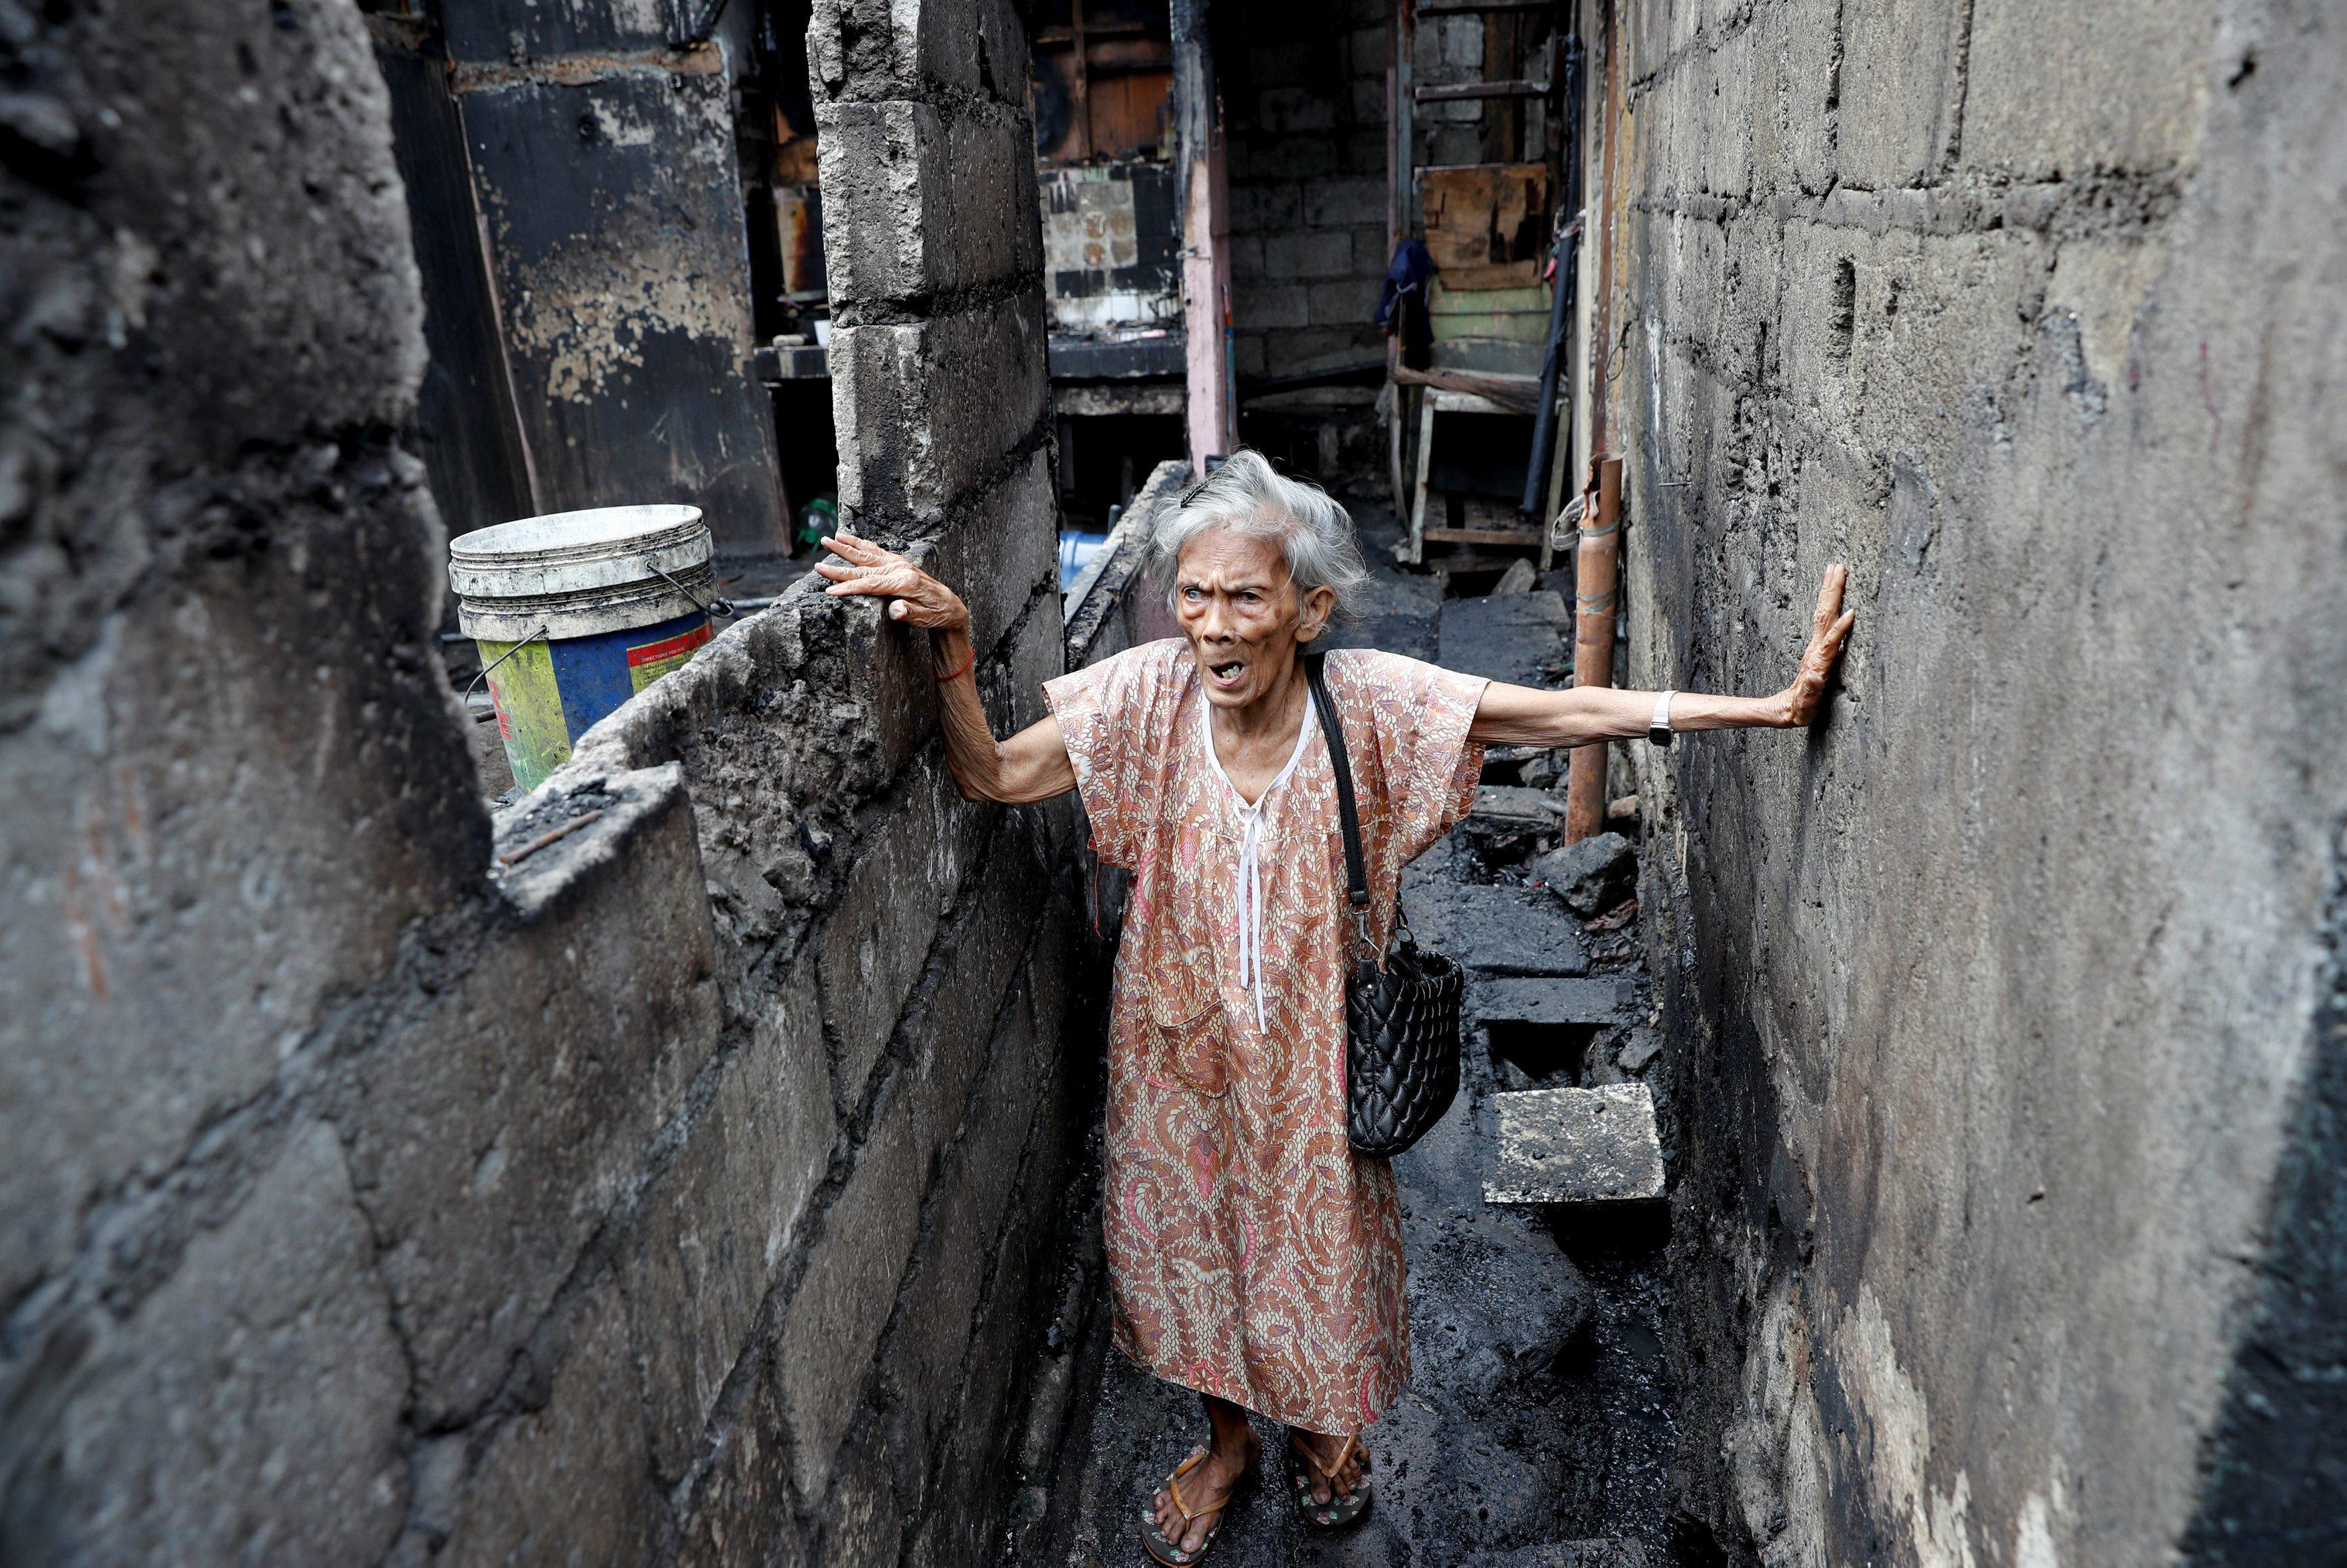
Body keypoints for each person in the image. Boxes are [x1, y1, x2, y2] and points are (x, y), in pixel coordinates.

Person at [816, 450, 1852, 1565]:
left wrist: (1771, 708)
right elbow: (995, 778)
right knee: (1185, 1260)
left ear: (1308, 611)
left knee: (1320, 1265)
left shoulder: (1371, 707)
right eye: (1194, 595)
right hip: (1177, 1055)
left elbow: (1560, 712)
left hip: (1318, 1065)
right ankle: (1227, 1447)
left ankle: (1315, 1431)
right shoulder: (1142, 699)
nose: (1212, 626)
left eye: (1245, 598)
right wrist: (956, 645)